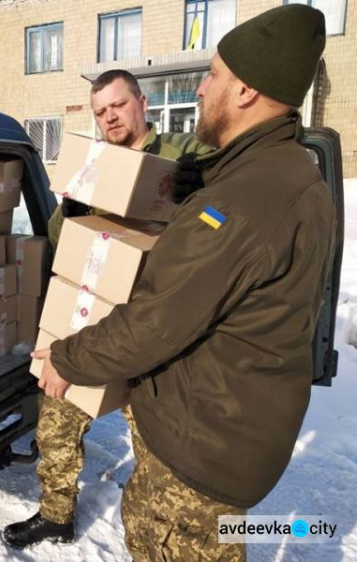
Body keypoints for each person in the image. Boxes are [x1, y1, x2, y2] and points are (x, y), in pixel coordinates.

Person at [33, 5, 334, 560]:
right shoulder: (282, 173)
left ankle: (310, 533)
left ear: (245, 91)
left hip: (200, 444)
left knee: (185, 538)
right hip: (207, 415)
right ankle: (54, 509)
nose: (200, 88)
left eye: (213, 75)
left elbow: (157, 319)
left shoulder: (236, 199)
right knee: (182, 527)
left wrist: (66, 359)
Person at [3, 69, 210, 549]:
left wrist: (201, 190)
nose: (109, 117)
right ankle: (56, 514)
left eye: (117, 105)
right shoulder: (94, 165)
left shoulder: (181, 155)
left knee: (157, 445)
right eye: (100, 112)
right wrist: (71, 210)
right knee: (56, 417)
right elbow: (60, 242)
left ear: (141, 102)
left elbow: (221, 223)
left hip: (153, 326)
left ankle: (160, 536)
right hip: (93, 317)